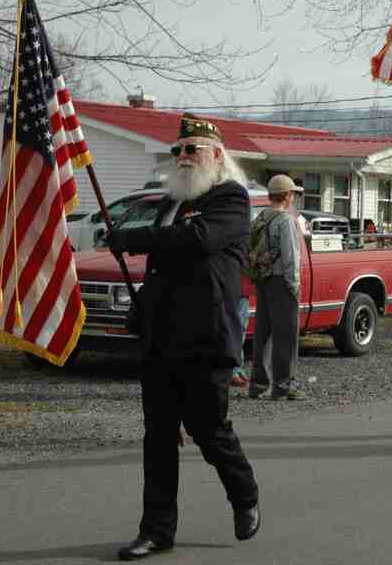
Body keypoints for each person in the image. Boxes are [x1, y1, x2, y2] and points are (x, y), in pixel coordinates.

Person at [107, 113, 260, 561]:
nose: (184, 156)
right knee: (158, 437)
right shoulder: (169, 202)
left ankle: (245, 494)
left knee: (208, 430)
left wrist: (134, 238)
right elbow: (164, 252)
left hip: (205, 337)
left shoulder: (231, 198)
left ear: (216, 155)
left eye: (192, 149)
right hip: (160, 335)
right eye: (178, 150)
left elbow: (197, 240)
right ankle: (156, 530)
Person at [248, 174, 307, 401]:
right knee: (286, 336)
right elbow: (290, 256)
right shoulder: (285, 221)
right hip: (282, 281)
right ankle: (284, 385)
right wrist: (294, 286)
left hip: (263, 279)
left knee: (263, 332)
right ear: (288, 195)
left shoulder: (261, 216)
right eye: (293, 193)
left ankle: (258, 383)